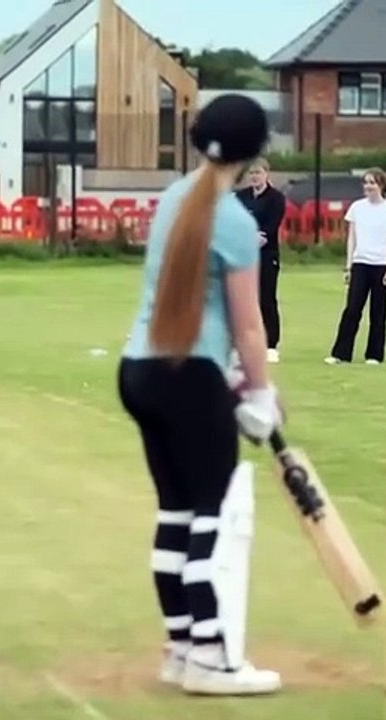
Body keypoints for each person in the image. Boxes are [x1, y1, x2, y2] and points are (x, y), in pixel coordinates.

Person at [118, 93, 285, 696]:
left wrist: (235, 380)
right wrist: (261, 393)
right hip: (189, 378)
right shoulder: (237, 221)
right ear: (253, 151)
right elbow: (247, 324)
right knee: (209, 520)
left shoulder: (170, 199)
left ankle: (182, 647)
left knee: (176, 513)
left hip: (139, 370)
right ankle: (212, 658)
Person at [325, 168, 386, 365]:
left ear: (381, 186)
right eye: (366, 182)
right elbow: (352, 238)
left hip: (381, 264)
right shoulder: (357, 208)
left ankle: (374, 355)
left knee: (378, 311)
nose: (368, 186)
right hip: (360, 263)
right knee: (352, 309)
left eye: (372, 183)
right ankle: (341, 353)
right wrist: (348, 266)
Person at [234, 158, 287, 363]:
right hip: (243, 256)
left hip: (266, 254)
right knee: (244, 302)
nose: (254, 177)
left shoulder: (276, 198)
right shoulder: (241, 197)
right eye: (251, 173)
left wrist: (257, 237)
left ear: (267, 174)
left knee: (266, 299)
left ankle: (271, 345)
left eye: (258, 173)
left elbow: (271, 226)